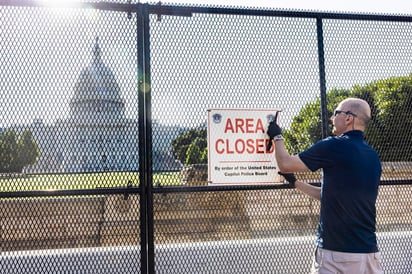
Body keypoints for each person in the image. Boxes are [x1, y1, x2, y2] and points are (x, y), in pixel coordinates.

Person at [267, 98, 383, 274]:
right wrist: (296, 183)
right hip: (369, 255)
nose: (331, 118)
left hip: (336, 255)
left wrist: (277, 135)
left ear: (348, 118)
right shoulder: (372, 156)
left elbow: (285, 163)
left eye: (336, 113)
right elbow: (329, 196)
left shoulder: (334, 145)